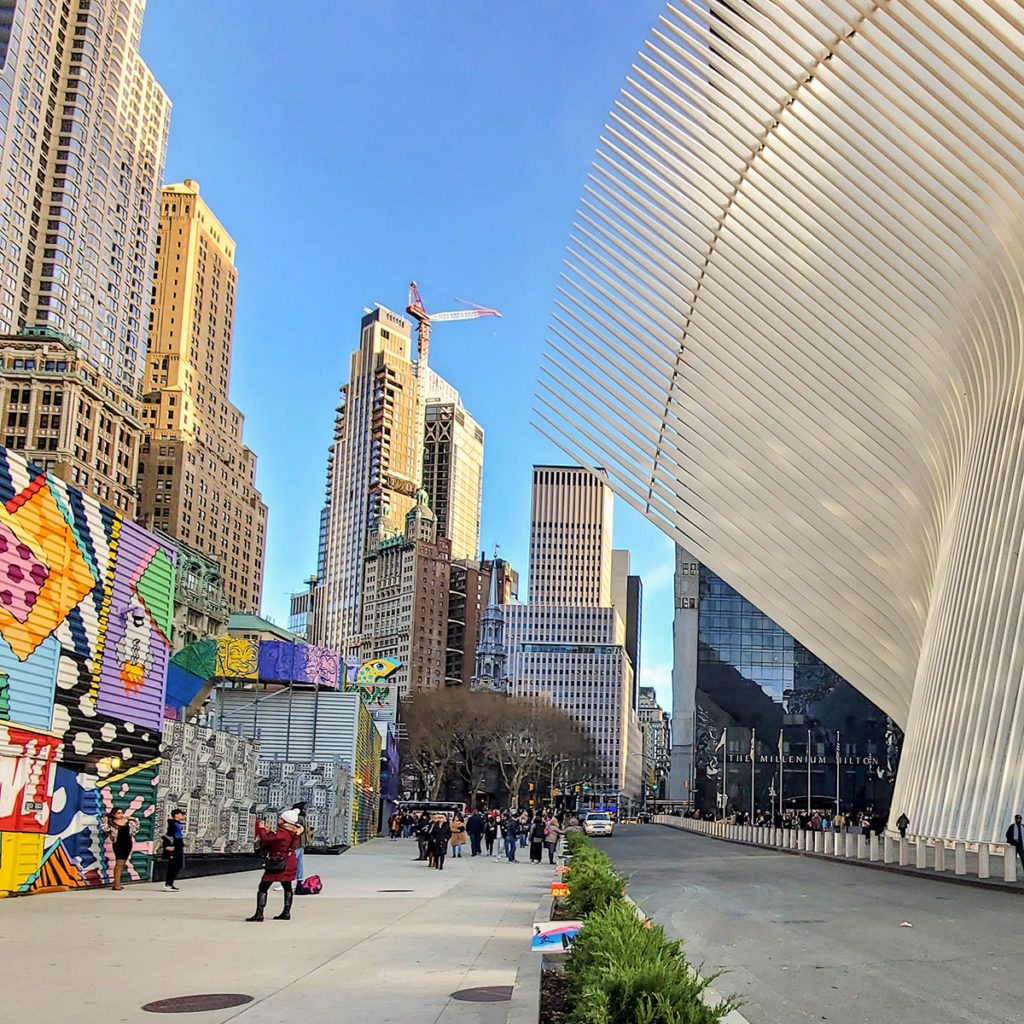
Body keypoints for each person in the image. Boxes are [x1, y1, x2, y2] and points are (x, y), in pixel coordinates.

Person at [247, 809, 304, 922]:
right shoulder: (294, 832)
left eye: (281, 818)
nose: (279, 820)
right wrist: (270, 832)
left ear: (285, 821)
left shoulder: (283, 832)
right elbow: (277, 840)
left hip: (277, 862)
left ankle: (259, 913)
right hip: (289, 861)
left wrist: (263, 829)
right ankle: (286, 912)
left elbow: (267, 839)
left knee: (263, 887)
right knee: (287, 887)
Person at [100, 808, 139, 890]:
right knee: (119, 862)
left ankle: (116, 882)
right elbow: (104, 828)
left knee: (123, 863)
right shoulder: (111, 823)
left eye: (121, 813)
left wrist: (133, 819)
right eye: (118, 813)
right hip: (118, 844)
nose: (120, 815)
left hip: (127, 843)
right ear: (114, 814)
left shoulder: (128, 822)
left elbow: (136, 829)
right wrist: (106, 817)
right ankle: (116, 883)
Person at [161, 809, 186, 892]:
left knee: (178, 865)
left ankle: (170, 884)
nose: (183, 816)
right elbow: (168, 836)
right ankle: (168, 884)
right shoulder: (173, 824)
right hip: (175, 847)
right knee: (175, 865)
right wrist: (168, 846)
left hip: (178, 846)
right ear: (176, 815)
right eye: (181, 814)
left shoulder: (177, 824)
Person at [292, 802, 308, 883]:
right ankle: (299, 879)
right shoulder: (303, 818)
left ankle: (288, 880)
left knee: (291, 862)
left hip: (297, 843)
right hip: (302, 843)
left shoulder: (297, 818)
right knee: (299, 862)